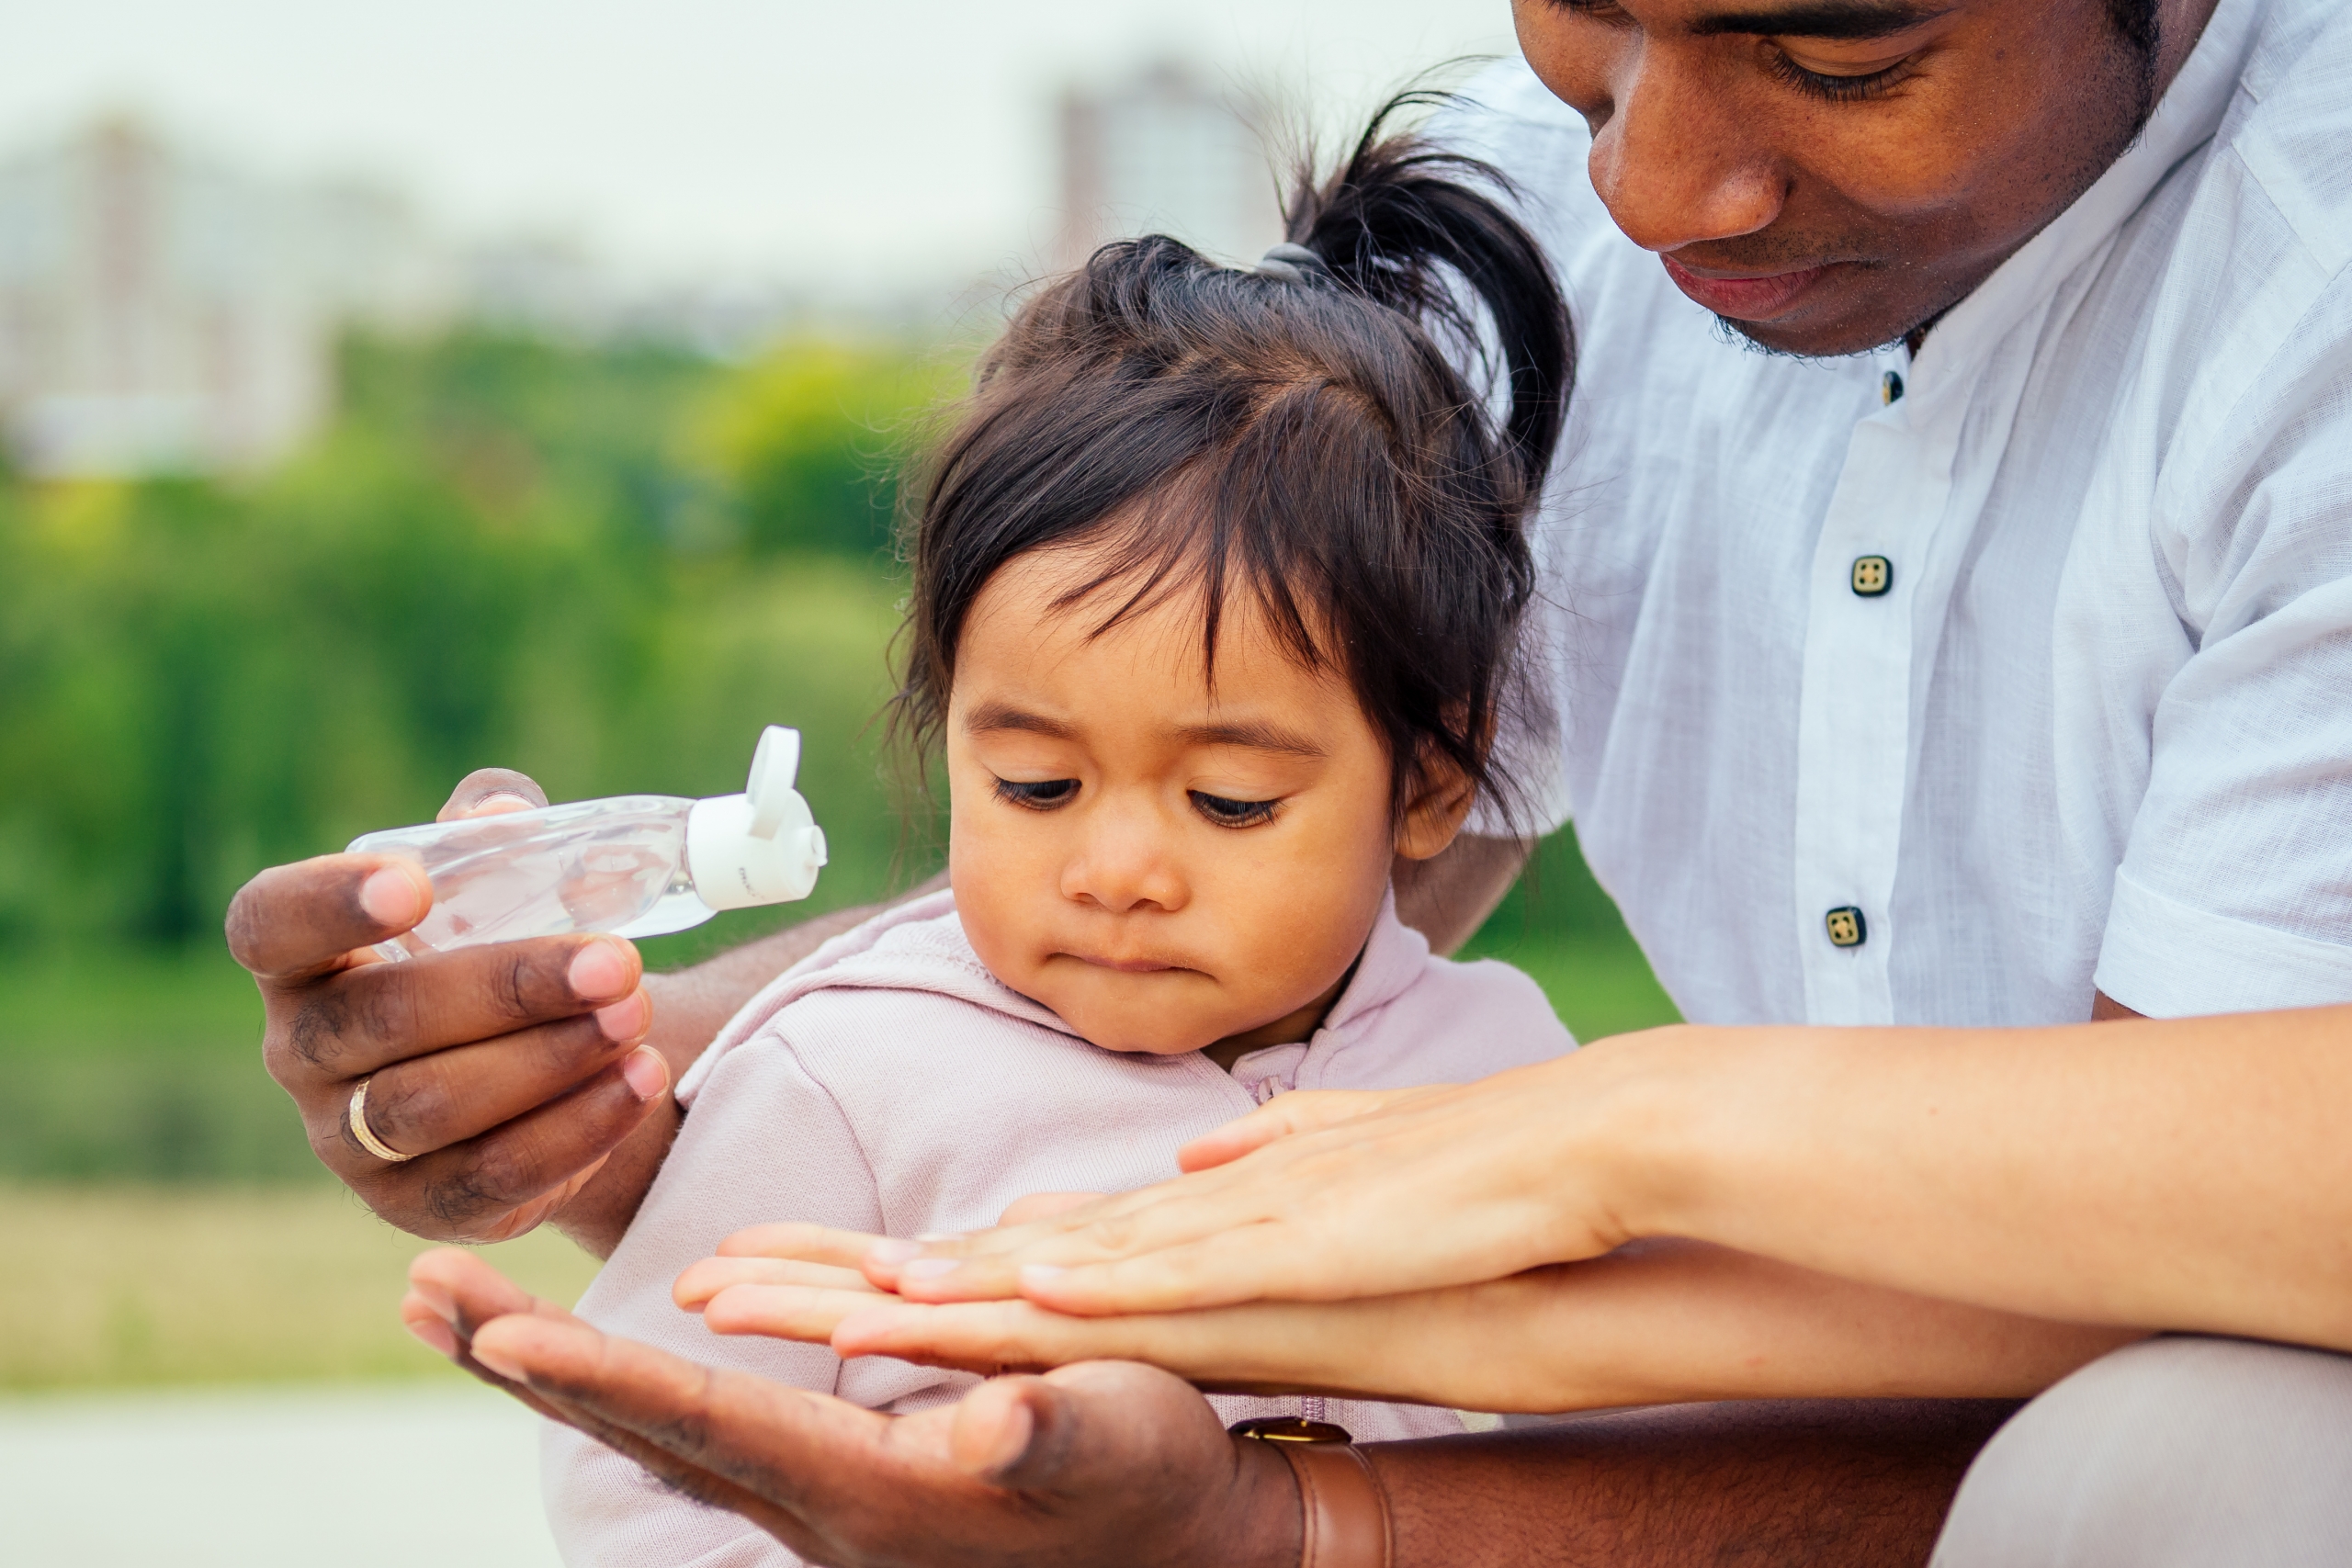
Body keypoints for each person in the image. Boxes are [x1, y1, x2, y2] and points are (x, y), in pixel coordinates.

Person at [235, 0, 2352, 1557]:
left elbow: (2157, 1253)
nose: (1644, 182)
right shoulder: (1532, 247)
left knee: (2154, 1471)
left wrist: (1321, 1495)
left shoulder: (2308, 283)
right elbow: (1234, 840)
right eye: (1595, 16)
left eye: (1835, 45)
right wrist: (680, 1057)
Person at [536, 120, 1594, 1563]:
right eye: (1036, 785)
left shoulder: (1509, 1074)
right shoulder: (842, 1083)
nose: (1117, 872)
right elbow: (646, 1481)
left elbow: (1614, 1456)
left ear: (1428, 776)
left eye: (1229, 804)